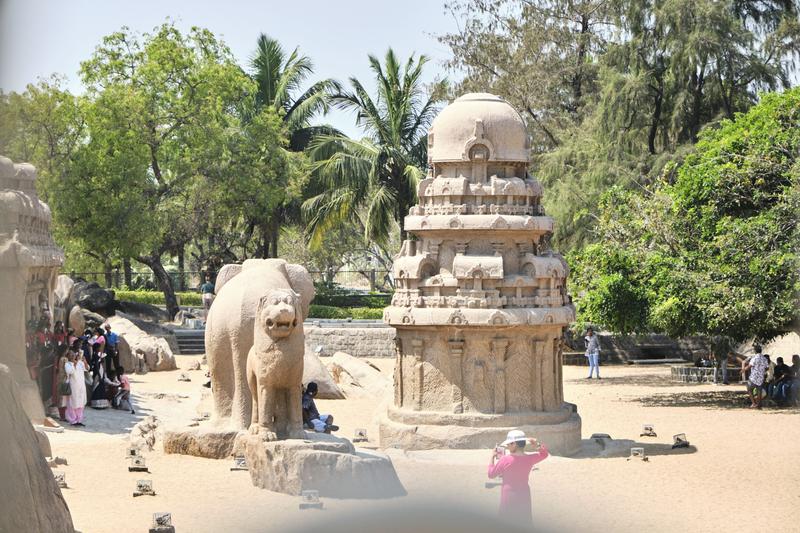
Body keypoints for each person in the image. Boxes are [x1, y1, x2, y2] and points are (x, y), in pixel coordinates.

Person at [487, 429, 549, 524]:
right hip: (524, 495)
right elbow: (544, 454)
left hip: (508, 496)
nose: (507, 446)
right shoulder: (530, 458)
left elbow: (491, 474)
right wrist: (537, 445)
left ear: (514, 444)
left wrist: (492, 457)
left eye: (508, 444)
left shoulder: (505, 460)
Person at [63, 350, 88, 426]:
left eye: (73, 354)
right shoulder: (67, 364)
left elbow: (87, 369)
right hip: (73, 386)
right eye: (71, 355)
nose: (73, 356)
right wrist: (74, 364)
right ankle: (72, 420)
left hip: (81, 386)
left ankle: (79, 420)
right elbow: (70, 371)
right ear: (68, 357)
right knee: (72, 403)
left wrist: (85, 361)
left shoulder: (80, 363)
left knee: (80, 403)